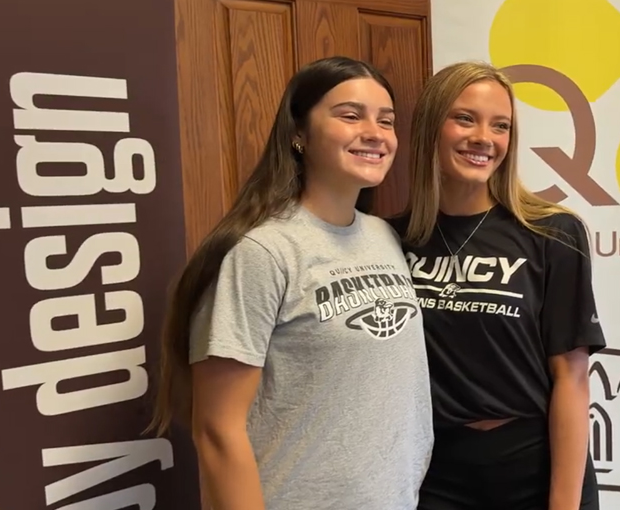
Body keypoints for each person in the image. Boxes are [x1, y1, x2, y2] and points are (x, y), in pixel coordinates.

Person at [148, 56, 433, 510]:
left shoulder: (383, 236)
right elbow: (217, 430)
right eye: (350, 115)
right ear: (299, 134)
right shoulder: (262, 252)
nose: (375, 133)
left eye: (387, 120)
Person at [390, 61, 605, 510]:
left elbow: (572, 377)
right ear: (431, 126)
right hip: (434, 470)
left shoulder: (553, 233)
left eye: (500, 125)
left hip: (533, 465)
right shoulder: (392, 239)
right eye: (464, 118)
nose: (484, 138)